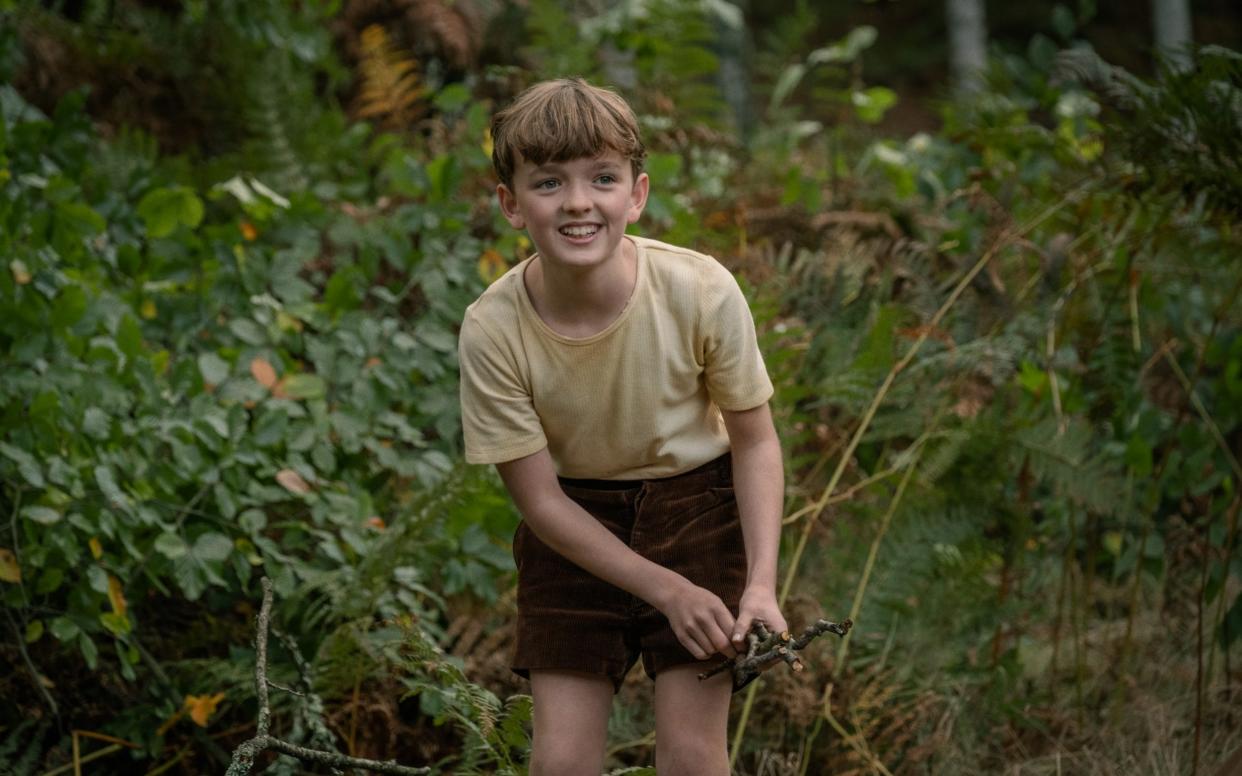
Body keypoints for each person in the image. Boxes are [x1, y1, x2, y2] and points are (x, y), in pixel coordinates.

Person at [458, 77, 787, 776]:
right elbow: (539, 500)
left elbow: (754, 440)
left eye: (602, 178)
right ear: (512, 205)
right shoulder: (493, 328)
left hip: (697, 509)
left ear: (635, 194)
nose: (578, 202)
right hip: (571, 531)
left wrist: (758, 584)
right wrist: (663, 589)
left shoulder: (699, 290)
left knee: (693, 756)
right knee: (562, 763)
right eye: (549, 183)